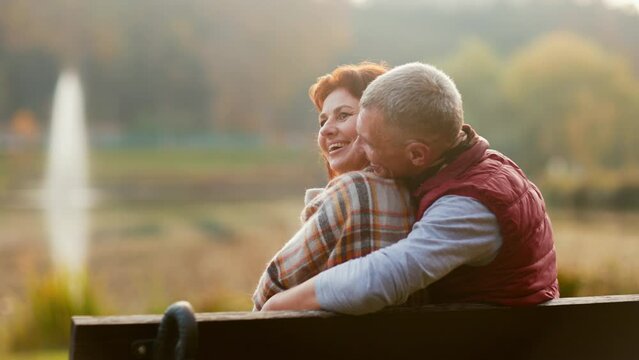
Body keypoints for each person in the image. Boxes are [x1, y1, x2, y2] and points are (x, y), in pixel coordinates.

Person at [261, 62, 559, 314]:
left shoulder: (470, 205)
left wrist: (277, 306)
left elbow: (382, 278)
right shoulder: (477, 163)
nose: (361, 152)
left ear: (417, 154)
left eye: (369, 144)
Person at [252, 62, 419, 310]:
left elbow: (269, 291)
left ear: (380, 121)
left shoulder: (354, 191)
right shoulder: (419, 192)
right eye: (322, 121)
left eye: (343, 115)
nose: (326, 130)